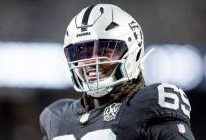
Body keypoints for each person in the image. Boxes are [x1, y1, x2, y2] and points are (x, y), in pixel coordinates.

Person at [39, 4, 195, 140]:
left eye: (105, 50)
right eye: (83, 53)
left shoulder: (149, 104)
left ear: (132, 51)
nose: (92, 62)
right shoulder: (56, 118)